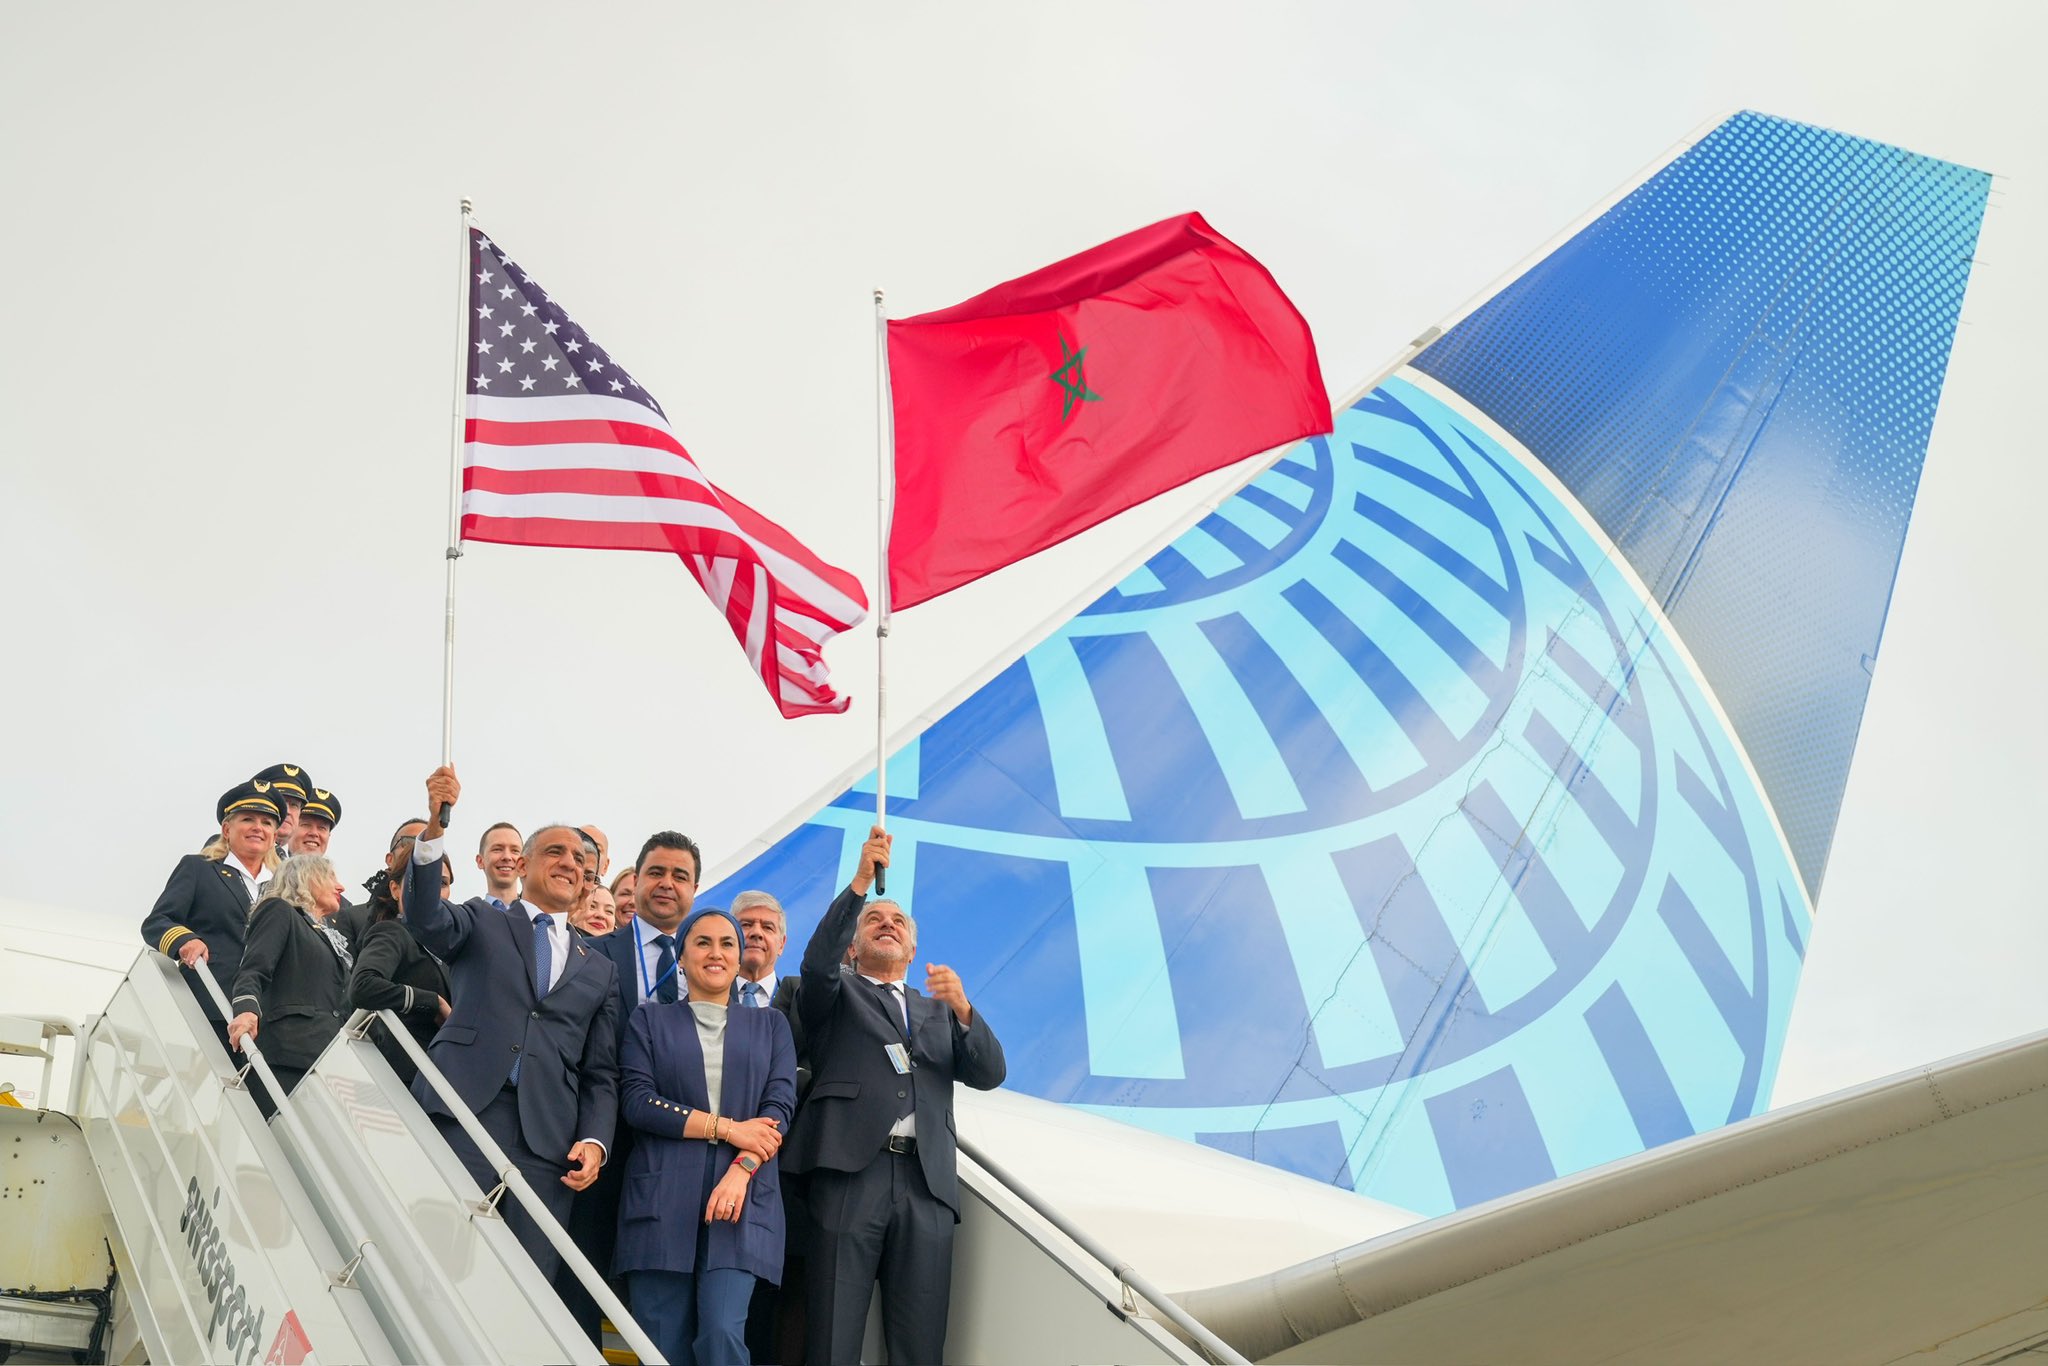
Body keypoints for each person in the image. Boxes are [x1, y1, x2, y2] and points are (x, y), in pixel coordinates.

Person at [785, 827, 1006, 1365]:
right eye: (873, 920)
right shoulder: (836, 991)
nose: (887, 923)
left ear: (912, 949)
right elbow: (816, 965)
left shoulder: (936, 1011)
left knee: (920, 1342)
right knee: (833, 1334)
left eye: (898, 922)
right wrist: (862, 883)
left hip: (926, 1185)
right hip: (848, 1175)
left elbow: (990, 1072)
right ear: (854, 944)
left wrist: (964, 1013)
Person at [404, 764, 620, 1279]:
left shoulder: (601, 968)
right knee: (435, 1266)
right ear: (522, 866)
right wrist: (434, 830)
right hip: (462, 1113)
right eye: (555, 852)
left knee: (524, 1284)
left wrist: (594, 1139)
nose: (570, 863)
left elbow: (602, 1070)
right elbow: (424, 915)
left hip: (545, 1141)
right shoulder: (482, 918)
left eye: (580, 861)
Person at [614, 904, 796, 1366]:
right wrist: (729, 1129)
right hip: (660, 1200)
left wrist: (741, 1170)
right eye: (703, 942)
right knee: (659, 1344)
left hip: (742, 1202)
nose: (715, 953)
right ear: (681, 956)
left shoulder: (771, 1024)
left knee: (722, 1336)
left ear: (740, 959)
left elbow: (778, 1109)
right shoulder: (648, 1020)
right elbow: (638, 1102)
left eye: (727, 943)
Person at [558, 830, 705, 1344]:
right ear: (635, 880)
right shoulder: (588, 951)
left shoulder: (709, 963)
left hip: (679, 1150)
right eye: (657, 873)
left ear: (694, 890)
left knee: (666, 1301)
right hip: (599, 1139)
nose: (667, 884)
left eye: (680, 876)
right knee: (580, 1278)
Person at [142, 779, 287, 1051]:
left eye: (267, 823)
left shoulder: (285, 888)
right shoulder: (199, 868)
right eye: (248, 819)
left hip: (268, 1018)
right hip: (208, 1007)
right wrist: (185, 940)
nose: (258, 827)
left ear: (275, 835)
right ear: (226, 829)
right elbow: (157, 922)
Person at [228, 854, 353, 1116]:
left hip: (329, 1059)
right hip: (287, 1054)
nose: (340, 887)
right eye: (331, 877)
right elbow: (254, 967)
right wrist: (246, 1010)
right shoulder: (279, 910)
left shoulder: (329, 935)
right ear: (305, 878)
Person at [348, 834, 453, 1086]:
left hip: (444, 1075)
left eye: (442, 882)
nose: (433, 891)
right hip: (402, 1079)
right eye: (421, 881)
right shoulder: (392, 931)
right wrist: (432, 1002)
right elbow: (363, 986)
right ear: (395, 889)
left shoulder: (449, 949)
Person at [253, 762, 315, 859]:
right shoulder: (228, 854)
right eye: (281, 802)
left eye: (294, 805)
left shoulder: (299, 866)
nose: (288, 811)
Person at [477, 822, 523, 908]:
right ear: (480, 861)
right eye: (497, 849)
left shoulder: (539, 917)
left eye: (515, 851)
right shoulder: (467, 917)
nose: (507, 857)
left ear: (523, 864)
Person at [291, 788, 342, 856]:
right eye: (306, 825)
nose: (314, 833)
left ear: (328, 835)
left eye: (322, 828)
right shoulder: (274, 866)